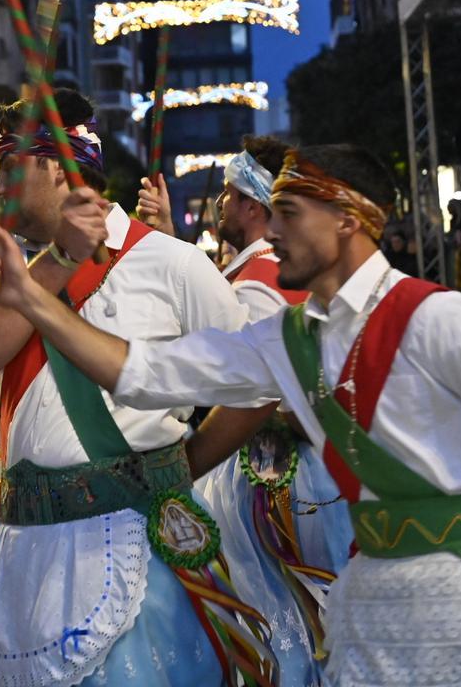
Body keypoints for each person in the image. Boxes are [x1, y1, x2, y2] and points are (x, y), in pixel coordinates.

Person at [0, 143, 461, 686]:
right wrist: (34, 301)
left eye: (290, 212)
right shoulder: (286, 338)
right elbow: (141, 370)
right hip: (374, 589)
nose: (271, 229)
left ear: (351, 219)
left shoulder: (440, 320)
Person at [0, 89, 277, 687]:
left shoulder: (174, 264)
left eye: (5, 171)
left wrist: (188, 463)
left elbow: (255, 384)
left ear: (54, 166)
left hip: (135, 540)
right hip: (24, 546)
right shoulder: (4, 270)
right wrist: (59, 261)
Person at [140, 135, 352, 683]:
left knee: (276, 613)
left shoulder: (259, 284)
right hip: (307, 470)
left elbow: (239, 382)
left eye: (229, 195)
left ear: (254, 208)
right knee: (315, 614)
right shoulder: (268, 273)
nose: (220, 204)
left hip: (266, 476)